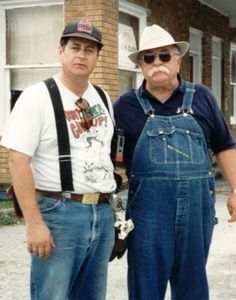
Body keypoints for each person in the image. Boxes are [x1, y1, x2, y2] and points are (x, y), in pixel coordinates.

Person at [113, 24, 236, 300]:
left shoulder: (202, 96)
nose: (157, 62)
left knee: (192, 287)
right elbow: (104, 155)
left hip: (196, 214)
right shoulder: (124, 106)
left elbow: (225, 145)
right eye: (149, 57)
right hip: (147, 217)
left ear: (178, 60)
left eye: (165, 56)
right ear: (141, 66)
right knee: (146, 289)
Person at [1, 20, 116, 300]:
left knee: (92, 296)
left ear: (97, 57)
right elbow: (17, 160)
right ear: (60, 51)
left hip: (102, 211)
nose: (81, 55)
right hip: (60, 212)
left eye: (90, 50)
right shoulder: (35, 97)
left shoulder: (102, 97)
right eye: (75, 47)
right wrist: (34, 223)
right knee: (52, 295)